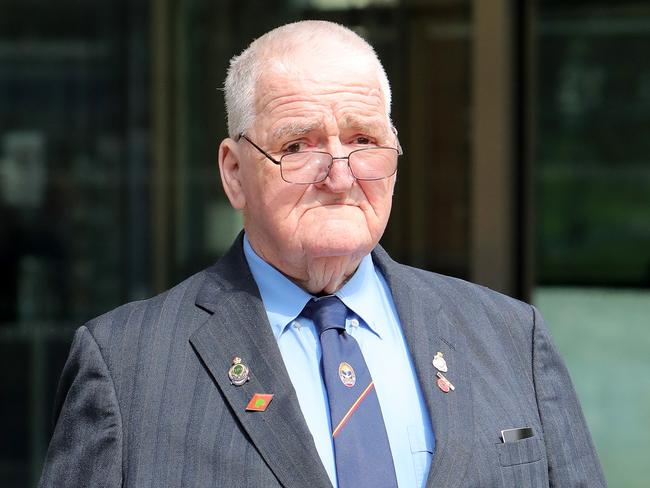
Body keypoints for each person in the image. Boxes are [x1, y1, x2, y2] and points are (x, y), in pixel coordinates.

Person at [39, 20, 606, 488]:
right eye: (296, 146)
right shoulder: (126, 367)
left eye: (363, 140)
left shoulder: (510, 337)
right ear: (234, 173)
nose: (339, 175)